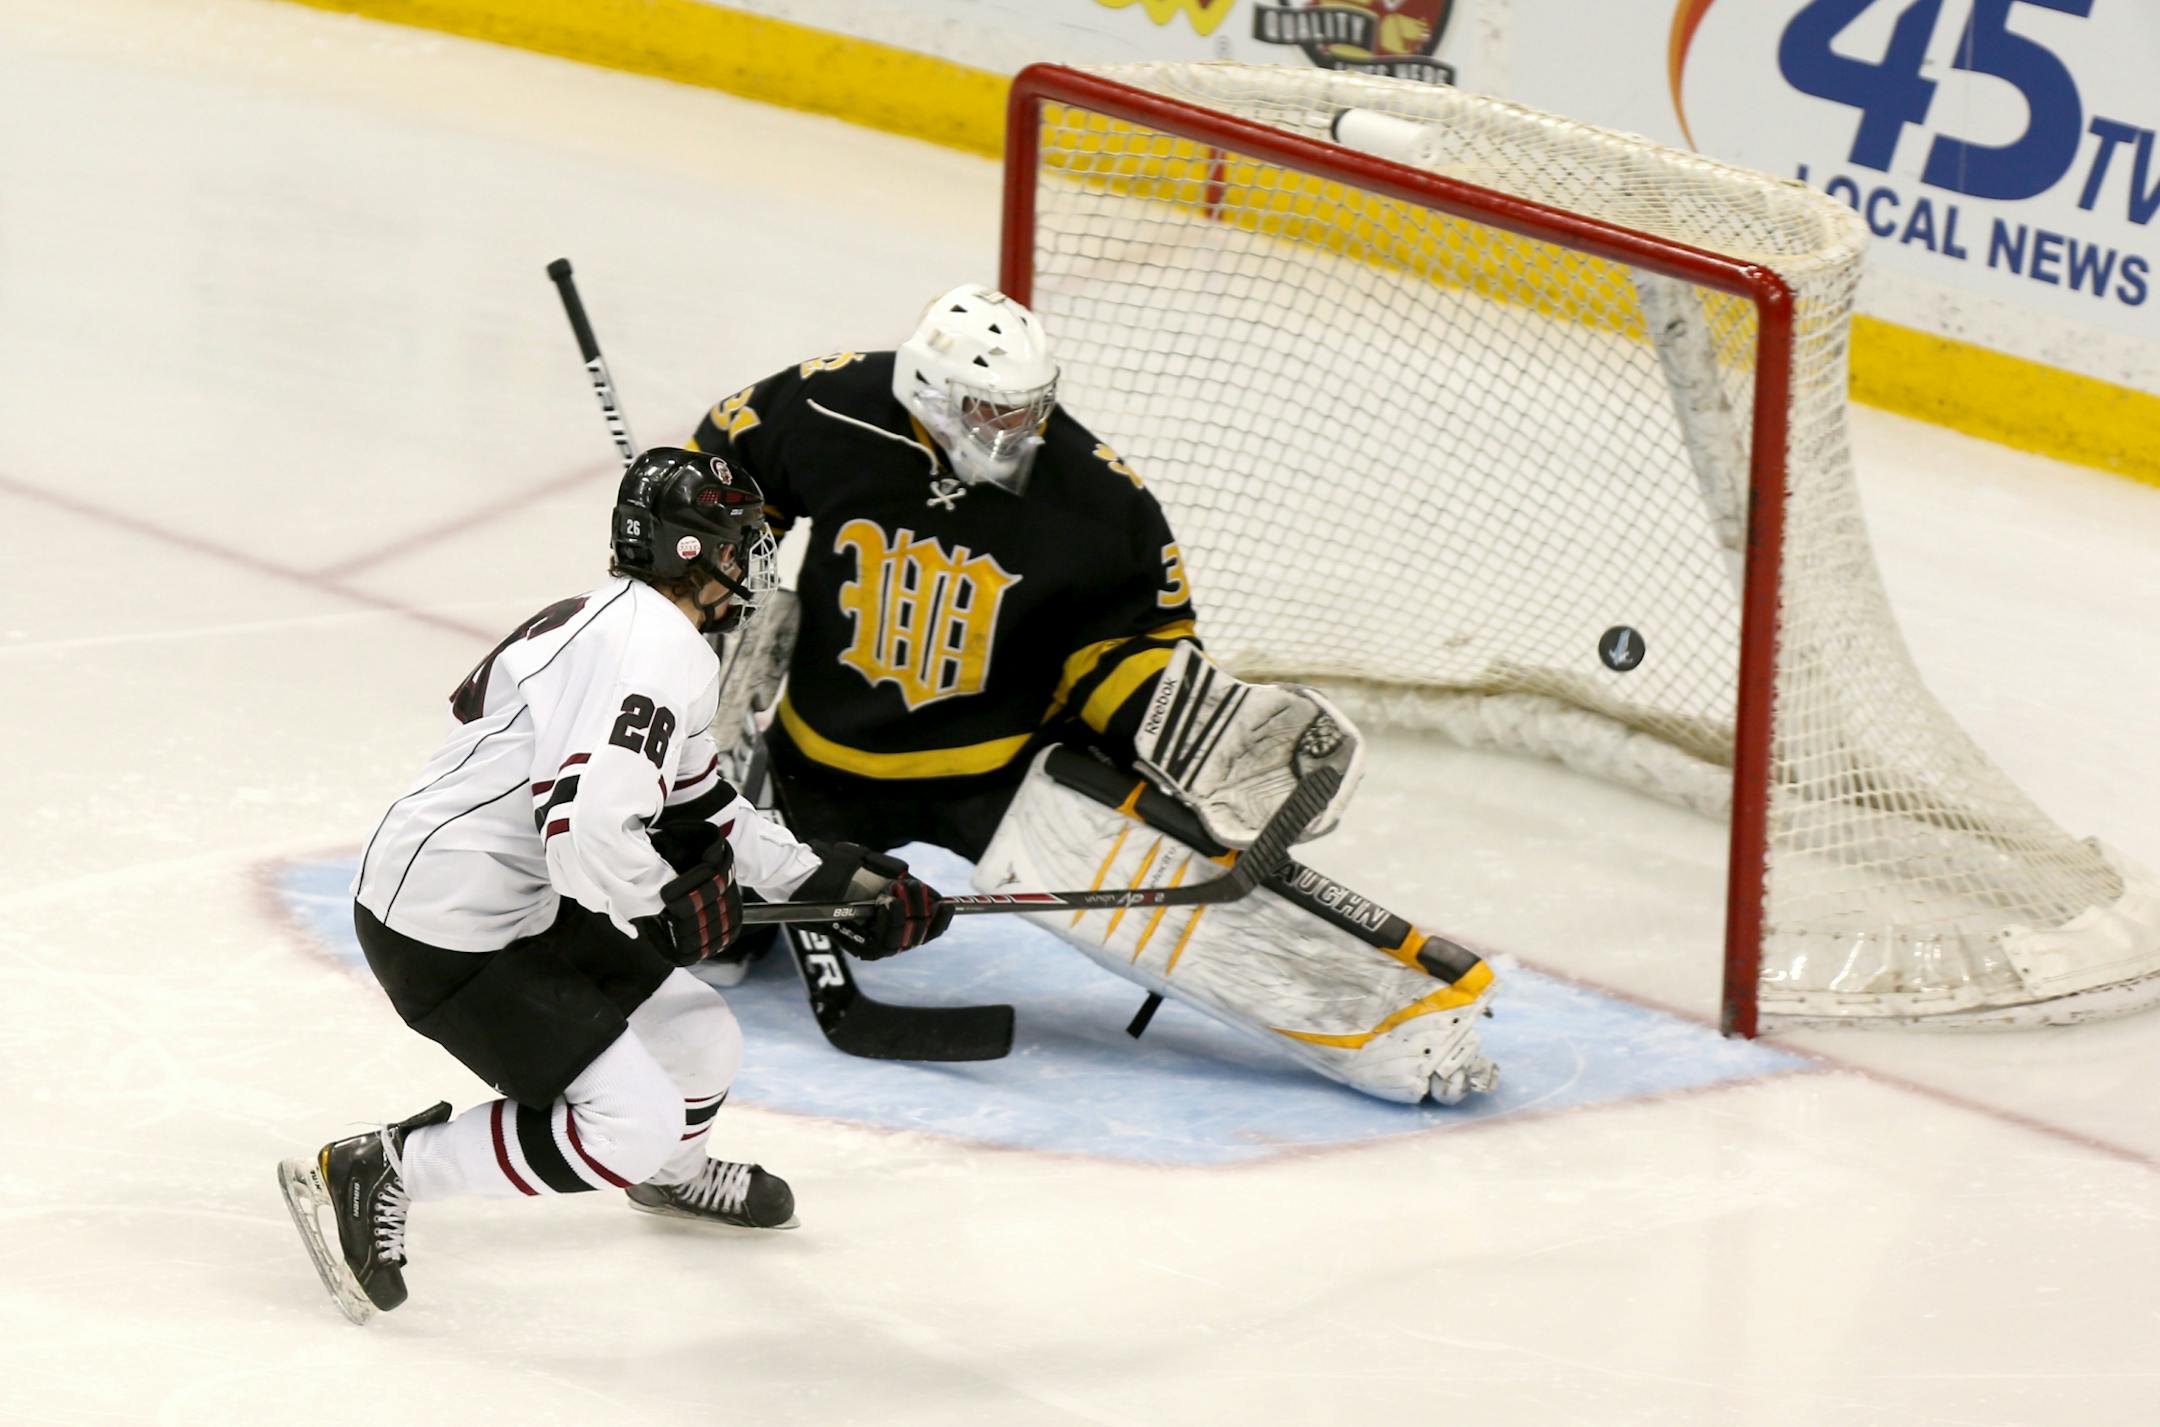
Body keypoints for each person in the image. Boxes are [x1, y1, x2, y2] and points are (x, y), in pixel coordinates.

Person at [686, 288, 1501, 1107]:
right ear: (928, 393)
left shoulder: (1092, 493)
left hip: (996, 774)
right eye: (989, 409)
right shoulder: (829, 406)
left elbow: (1136, 637)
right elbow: (724, 459)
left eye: (1030, 408)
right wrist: (724, 581)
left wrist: (1198, 728)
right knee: (683, 930)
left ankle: (1410, 1022)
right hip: (806, 767)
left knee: (1190, 899)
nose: (1018, 430)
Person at [278, 448, 955, 1326]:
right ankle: (384, 1163)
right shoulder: (656, 647)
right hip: (443, 921)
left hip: (494, 895)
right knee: (625, 1122)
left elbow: (706, 807)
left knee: (700, 1034)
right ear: (687, 550)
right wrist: (659, 908)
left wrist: (837, 878)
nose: (753, 559)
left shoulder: (634, 626)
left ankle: (667, 1180)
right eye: (741, 539)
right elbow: (586, 829)